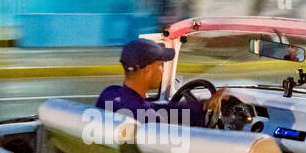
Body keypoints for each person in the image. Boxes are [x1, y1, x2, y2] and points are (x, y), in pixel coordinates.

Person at [96, 38, 228, 126]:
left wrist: (203, 106)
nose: (163, 69)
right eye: (160, 64)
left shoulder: (109, 94)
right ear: (147, 70)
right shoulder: (151, 121)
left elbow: (159, 108)